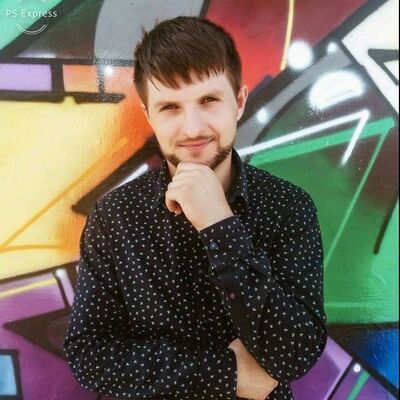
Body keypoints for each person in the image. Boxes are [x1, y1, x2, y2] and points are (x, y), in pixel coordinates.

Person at [63, 16, 327, 400]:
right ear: (149, 115)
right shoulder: (115, 216)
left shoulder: (287, 206)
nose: (192, 128)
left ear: (238, 102)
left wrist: (219, 224)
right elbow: (90, 355)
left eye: (208, 100)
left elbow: (295, 353)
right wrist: (226, 374)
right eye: (170, 107)